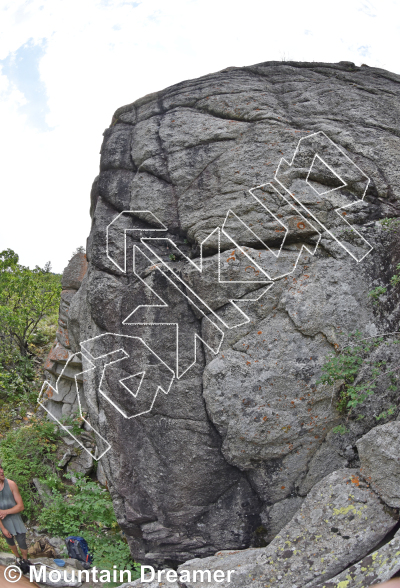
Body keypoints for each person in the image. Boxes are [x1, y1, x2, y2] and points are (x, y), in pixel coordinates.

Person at [0, 463, 30, 565]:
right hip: (3, 521)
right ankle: (18, 557)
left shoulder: (11, 484)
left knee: (21, 540)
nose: (1, 471)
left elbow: (20, 506)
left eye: (1, 468)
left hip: (15, 518)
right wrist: (3, 528)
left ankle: (25, 560)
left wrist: (5, 512)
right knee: (9, 540)